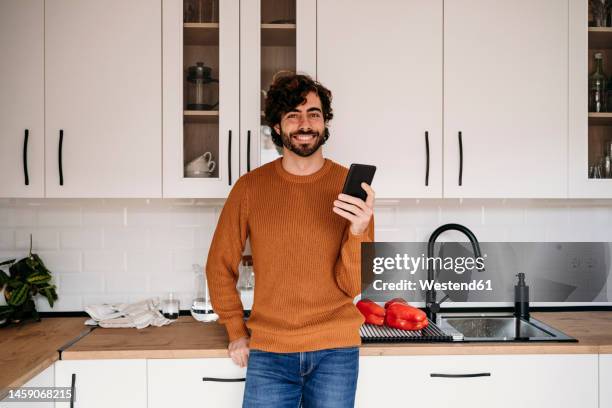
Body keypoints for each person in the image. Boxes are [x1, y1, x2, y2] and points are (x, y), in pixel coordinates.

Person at [205, 72, 375, 407]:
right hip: (270, 351)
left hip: (336, 352)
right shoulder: (250, 188)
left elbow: (351, 286)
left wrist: (358, 233)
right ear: (278, 127)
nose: (305, 124)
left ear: (325, 123)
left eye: (313, 114)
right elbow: (219, 265)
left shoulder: (349, 189)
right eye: (292, 115)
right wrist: (236, 331)